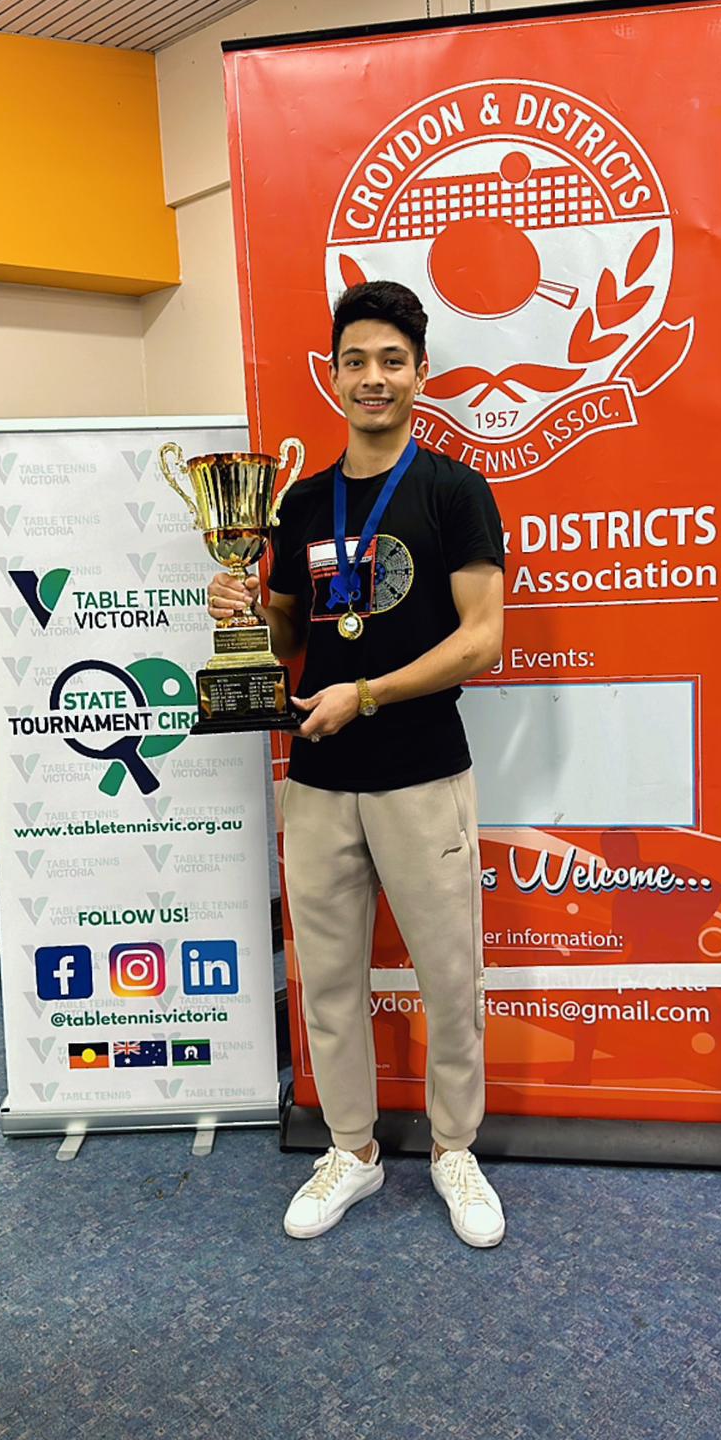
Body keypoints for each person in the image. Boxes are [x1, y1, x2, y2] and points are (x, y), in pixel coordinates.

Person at [207, 280, 506, 1248]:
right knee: (329, 980)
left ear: (421, 373)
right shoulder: (298, 504)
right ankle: (354, 1150)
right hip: (319, 778)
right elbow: (289, 640)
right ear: (331, 376)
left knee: (449, 977)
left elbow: (483, 638)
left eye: (391, 361)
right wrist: (242, 613)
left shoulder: (453, 491)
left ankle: (454, 1149)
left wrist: (367, 693)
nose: (372, 378)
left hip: (421, 771)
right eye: (355, 361)